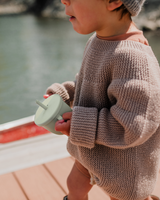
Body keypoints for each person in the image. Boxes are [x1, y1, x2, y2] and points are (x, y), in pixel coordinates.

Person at [45, 0, 160, 199]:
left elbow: (133, 125)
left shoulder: (133, 58)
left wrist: (79, 124)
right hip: (92, 152)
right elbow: (88, 85)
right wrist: (64, 94)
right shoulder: (97, 41)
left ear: (114, 1)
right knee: (74, 186)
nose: (63, 0)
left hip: (123, 167)